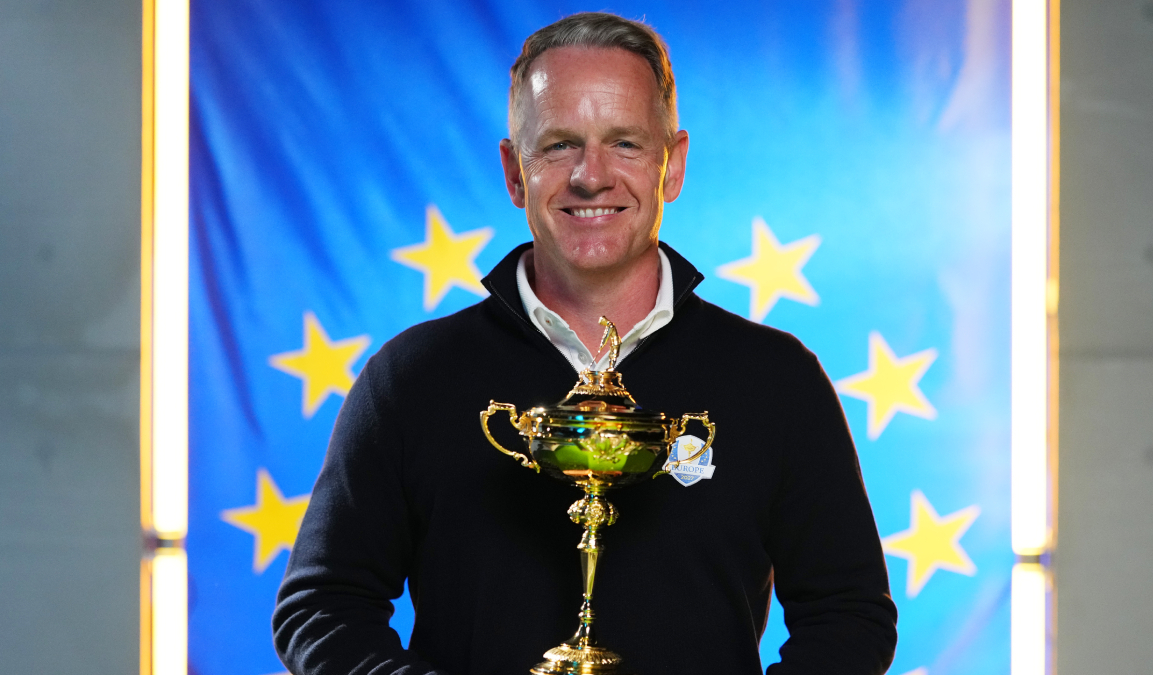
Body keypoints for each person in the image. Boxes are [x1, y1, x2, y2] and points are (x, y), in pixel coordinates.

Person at [274, 12, 897, 675]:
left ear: (673, 165)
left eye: (625, 143)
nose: (591, 176)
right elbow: (322, 607)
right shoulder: (411, 378)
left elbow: (849, 615)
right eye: (559, 145)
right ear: (515, 173)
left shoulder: (777, 379)